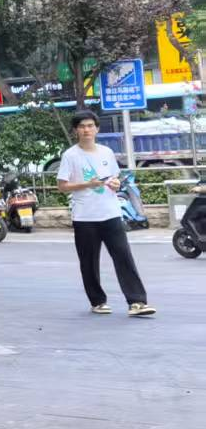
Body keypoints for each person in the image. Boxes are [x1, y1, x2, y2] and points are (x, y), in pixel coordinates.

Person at [56, 110, 155, 317]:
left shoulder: (106, 152)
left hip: (110, 213)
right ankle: (98, 301)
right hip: (84, 217)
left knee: (123, 256)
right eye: (82, 126)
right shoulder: (70, 155)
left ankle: (137, 302)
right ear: (75, 130)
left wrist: (115, 183)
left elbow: (114, 177)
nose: (86, 130)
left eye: (90, 126)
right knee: (89, 262)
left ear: (97, 129)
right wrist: (87, 184)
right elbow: (62, 186)